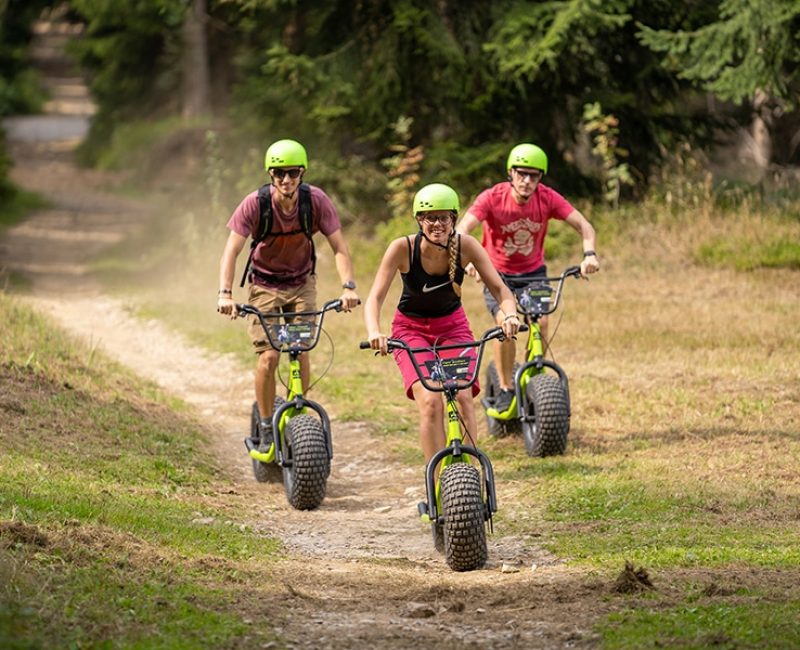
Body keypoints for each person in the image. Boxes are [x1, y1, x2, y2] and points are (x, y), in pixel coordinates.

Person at [364, 183, 519, 468]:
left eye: (443, 217)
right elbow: (374, 297)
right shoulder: (402, 248)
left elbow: (500, 288)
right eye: (429, 217)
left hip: (453, 329)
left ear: (454, 219)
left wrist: (509, 314)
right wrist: (375, 332)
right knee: (431, 401)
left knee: (463, 396)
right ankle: (435, 482)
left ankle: (468, 475)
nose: (437, 224)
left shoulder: (466, 246)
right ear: (419, 220)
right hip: (410, 331)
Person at [217, 138, 359, 448]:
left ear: (302, 173)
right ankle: (267, 424)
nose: (286, 180)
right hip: (264, 284)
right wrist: (225, 294)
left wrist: (348, 286)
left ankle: (299, 414)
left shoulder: (316, 201)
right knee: (269, 357)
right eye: (279, 173)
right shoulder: (255, 204)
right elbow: (232, 250)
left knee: (300, 347)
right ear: (270, 175)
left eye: (292, 173)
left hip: (301, 283)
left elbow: (339, 248)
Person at [456, 142, 600, 419]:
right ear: (511, 173)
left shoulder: (546, 198)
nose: (527, 181)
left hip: (533, 273)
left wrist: (589, 254)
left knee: (542, 320)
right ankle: (507, 387)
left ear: (540, 178)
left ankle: (535, 370)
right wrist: (471, 260)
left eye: (534, 175)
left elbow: (585, 226)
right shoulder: (492, 197)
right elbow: (463, 229)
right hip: (497, 275)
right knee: (506, 325)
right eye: (521, 174)